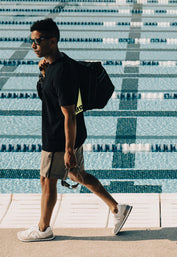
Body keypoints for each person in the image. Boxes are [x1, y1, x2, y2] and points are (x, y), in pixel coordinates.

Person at [17, 18, 132, 242]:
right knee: (75, 174)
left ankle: (43, 229)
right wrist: (42, 75)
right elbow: (48, 97)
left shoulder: (61, 72)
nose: (33, 46)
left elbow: (69, 113)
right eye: (31, 41)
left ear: (53, 41)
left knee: (47, 180)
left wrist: (68, 149)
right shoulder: (55, 66)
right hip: (71, 135)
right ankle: (117, 209)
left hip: (59, 138)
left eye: (38, 41)